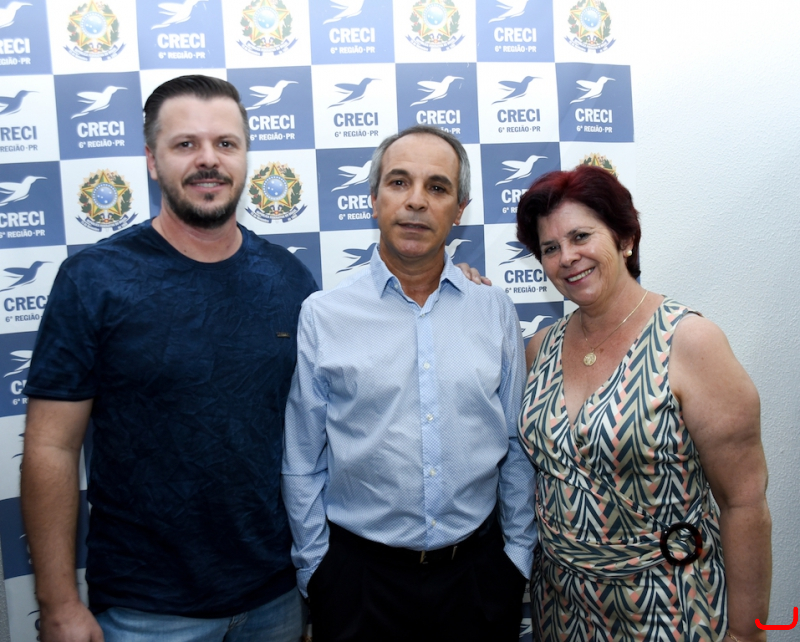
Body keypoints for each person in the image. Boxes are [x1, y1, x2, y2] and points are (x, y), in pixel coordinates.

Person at [20, 75, 318, 641]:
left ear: (245, 157)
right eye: (185, 144)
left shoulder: (289, 279)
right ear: (152, 161)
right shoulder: (94, 280)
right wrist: (57, 602)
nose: (209, 159)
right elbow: (51, 447)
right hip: (145, 610)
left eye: (225, 143)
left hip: (275, 598)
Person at [281, 124, 537, 642]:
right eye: (399, 182)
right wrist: (317, 570)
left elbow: (516, 444)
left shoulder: (494, 310)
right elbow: (303, 458)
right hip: (357, 585)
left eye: (437, 187)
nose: (416, 201)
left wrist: (516, 558)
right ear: (373, 199)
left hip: (479, 579)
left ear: (459, 209)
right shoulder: (324, 315)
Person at [515, 165, 771, 642]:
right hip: (562, 611)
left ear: (625, 238)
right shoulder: (539, 348)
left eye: (581, 236)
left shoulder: (690, 341)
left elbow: (744, 502)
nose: (567, 257)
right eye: (550, 248)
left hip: (671, 607)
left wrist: (747, 632)